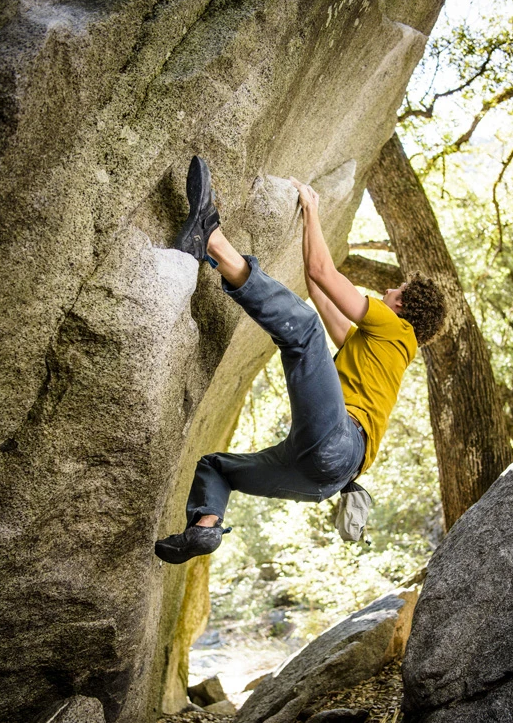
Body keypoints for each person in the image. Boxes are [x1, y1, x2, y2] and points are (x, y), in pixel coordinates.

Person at [155, 157, 446, 564]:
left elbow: (322, 274)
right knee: (215, 467)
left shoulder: (397, 329)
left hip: (340, 441)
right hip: (324, 479)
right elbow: (315, 285)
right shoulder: (383, 349)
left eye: (396, 292)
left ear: (404, 308)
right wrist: (309, 231)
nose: (388, 289)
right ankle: (204, 529)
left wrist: (312, 209)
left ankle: (212, 237)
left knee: (304, 330)